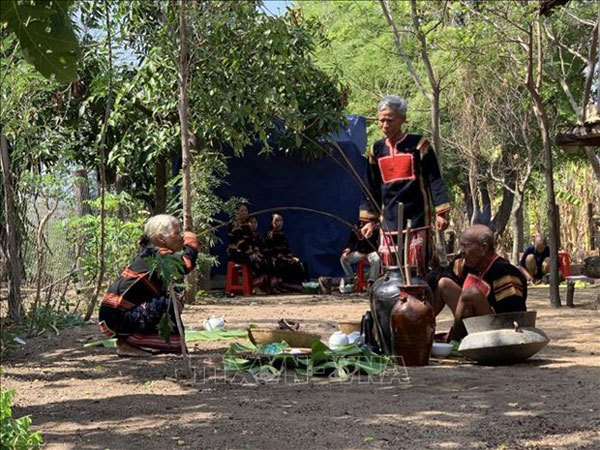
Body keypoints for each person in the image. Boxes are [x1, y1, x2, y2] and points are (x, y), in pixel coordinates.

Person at [359, 95, 450, 271]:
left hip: (416, 218)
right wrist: (369, 221)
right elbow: (371, 187)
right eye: (381, 120)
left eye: (390, 120)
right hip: (389, 219)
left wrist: (441, 213)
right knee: (391, 270)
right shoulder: (376, 150)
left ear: (402, 119)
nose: (385, 125)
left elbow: (434, 179)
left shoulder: (418, 145)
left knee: (416, 268)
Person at [98, 214, 201, 357]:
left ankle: (138, 341)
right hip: (115, 318)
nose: (181, 237)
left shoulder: (151, 253)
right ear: (161, 238)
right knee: (169, 304)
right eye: (177, 233)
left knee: (169, 300)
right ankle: (129, 343)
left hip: (114, 316)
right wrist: (191, 243)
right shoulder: (158, 256)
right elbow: (185, 265)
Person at [428, 225, 527, 341]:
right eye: (461, 246)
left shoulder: (504, 272)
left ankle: (455, 338)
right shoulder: (466, 264)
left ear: (484, 248)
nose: (462, 251)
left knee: (470, 294)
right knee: (443, 283)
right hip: (474, 325)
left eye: (466, 246)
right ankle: (418, 331)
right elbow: (441, 273)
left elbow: (513, 315)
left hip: (497, 333)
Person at [226, 203, 271, 294]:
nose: (244, 212)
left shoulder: (247, 225)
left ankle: (266, 286)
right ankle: (256, 287)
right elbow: (240, 243)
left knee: (265, 259)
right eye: (241, 211)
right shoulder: (234, 225)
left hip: (247, 251)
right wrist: (251, 252)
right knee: (255, 260)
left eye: (246, 210)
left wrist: (255, 251)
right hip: (236, 252)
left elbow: (251, 241)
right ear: (236, 212)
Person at [263, 213, 308, 291]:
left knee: (302, 263)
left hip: (285, 258)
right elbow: (272, 253)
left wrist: (292, 258)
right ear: (272, 222)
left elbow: (286, 250)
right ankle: (287, 286)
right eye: (276, 221)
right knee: (292, 265)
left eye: (281, 220)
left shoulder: (281, 234)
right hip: (276, 261)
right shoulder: (269, 236)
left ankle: (306, 284)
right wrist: (287, 259)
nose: (279, 223)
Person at [340, 219, 381, 287]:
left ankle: (371, 281)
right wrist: (347, 250)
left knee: (377, 258)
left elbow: (379, 240)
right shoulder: (357, 226)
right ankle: (351, 278)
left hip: (372, 252)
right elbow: (351, 241)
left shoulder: (375, 225)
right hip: (360, 252)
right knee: (343, 259)